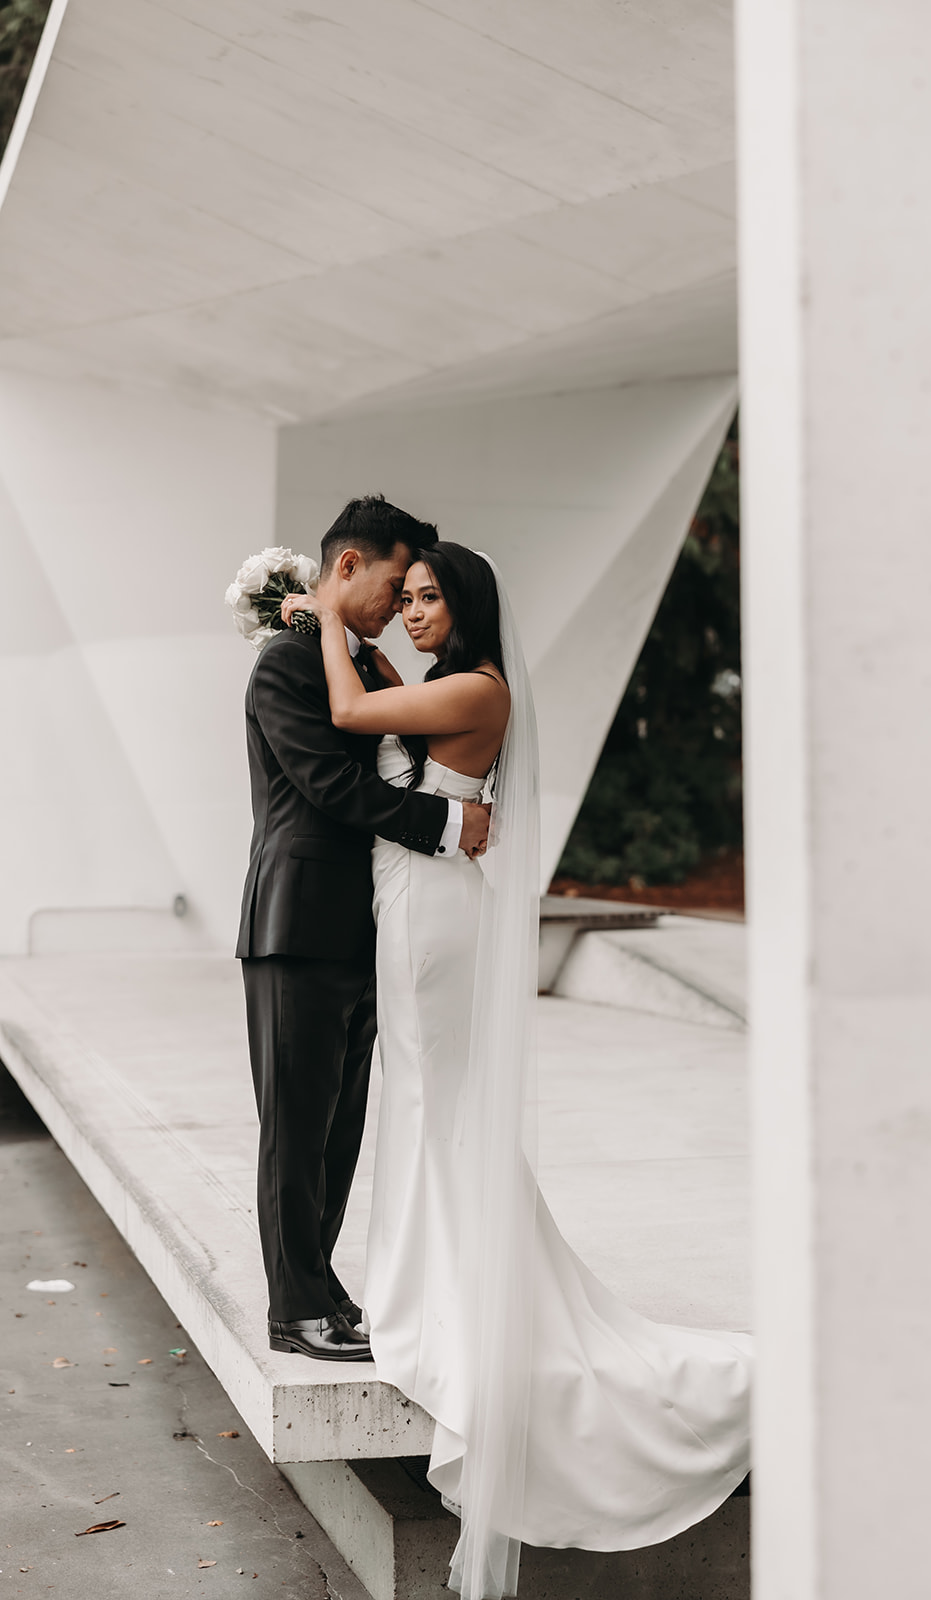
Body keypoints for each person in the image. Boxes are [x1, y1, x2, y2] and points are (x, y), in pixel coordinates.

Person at [282, 541, 753, 1600]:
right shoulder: (442, 681)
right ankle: (432, 1272)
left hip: (434, 910)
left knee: (435, 1092)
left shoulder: (476, 687)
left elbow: (355, 722)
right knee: (420, 1094)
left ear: (468, 605)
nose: (409, 610)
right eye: (400, 598)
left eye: (427, 596)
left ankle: (451, 1286)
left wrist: (321, 619)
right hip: (411, 893)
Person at [238, 496, 491, 1363]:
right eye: (394, 581)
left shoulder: (364, 665)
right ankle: (293, 1307)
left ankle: (319, 1285)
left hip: (370, 926)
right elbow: (327, 787)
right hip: (296, 922)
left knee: (341, 1125)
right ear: (348, 567)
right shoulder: (285, 664)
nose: (399, 602)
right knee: (295, 1123)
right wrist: (441, 827)